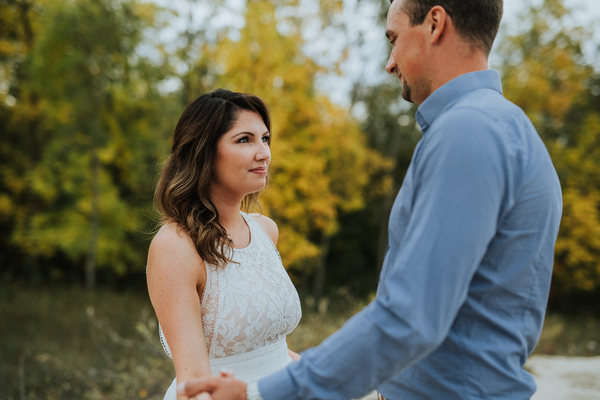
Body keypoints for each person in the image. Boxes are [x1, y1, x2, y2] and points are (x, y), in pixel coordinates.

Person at [178, 0, 563, 399]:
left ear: (434, 24)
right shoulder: (510, 129)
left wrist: (264, 395)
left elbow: (410, 316)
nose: (390, 62)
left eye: (393, 39)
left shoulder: (468, 132)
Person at [146, 89, 302, 400]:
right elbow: (194, 386)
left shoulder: (265, 230)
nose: (263, 152)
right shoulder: (175, 247)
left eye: (265, 138)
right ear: (204, 152)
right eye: (245, 139)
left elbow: (274, 355)